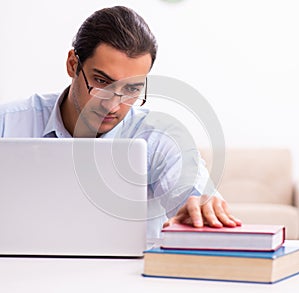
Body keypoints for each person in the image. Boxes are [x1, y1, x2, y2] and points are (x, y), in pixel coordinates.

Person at [0, 6, 241, 238]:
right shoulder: (7, 124)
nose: (113, 105)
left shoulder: (160, 138)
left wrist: (197, 204)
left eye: (132, 89)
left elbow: (188, 187)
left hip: (130, 278)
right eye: (102, 82)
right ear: (73, 64)